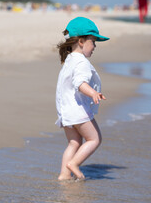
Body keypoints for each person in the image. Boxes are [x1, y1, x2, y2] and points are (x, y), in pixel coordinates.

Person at [55, 17, 109, 181]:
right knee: (94, 139)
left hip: (65, 111)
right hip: (77, 110)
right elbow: (80, 83)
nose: (95, 46)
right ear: (80, 41)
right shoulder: (81, 62)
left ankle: (64, 175)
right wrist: (93, 93)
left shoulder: (69, 60)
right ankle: (74, 165)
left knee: (74, 143)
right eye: (93, 41)